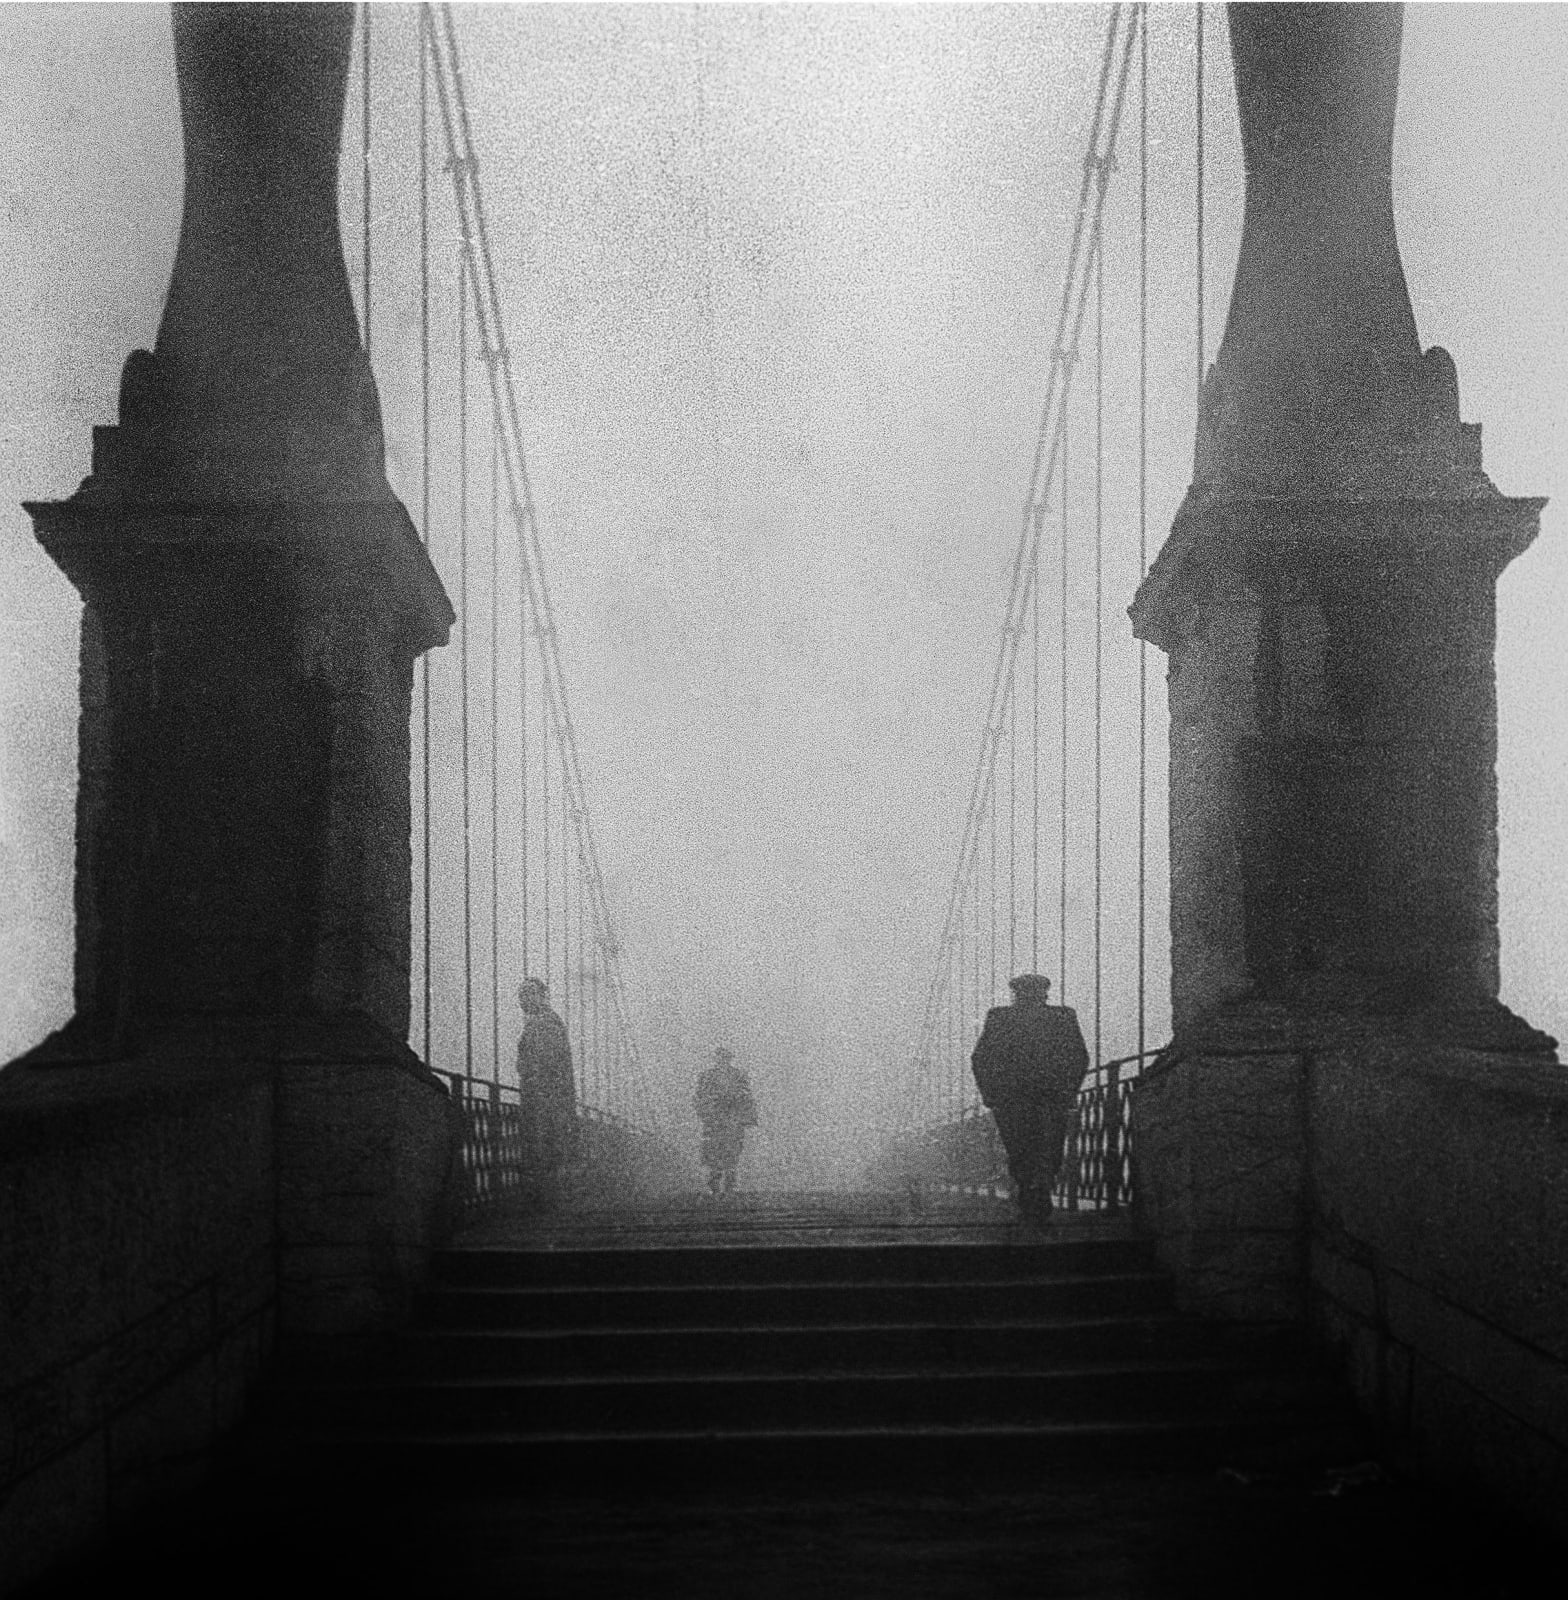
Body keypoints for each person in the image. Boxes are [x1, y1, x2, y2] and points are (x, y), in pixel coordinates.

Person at [969, 973, 1088, 1222]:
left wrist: (991, 1095)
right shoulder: (1063, 1016)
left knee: (1019, 1147)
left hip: (1012, 1100)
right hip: (1053, 1098)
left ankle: (1028, 1193)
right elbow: (1079, 1056)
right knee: (1050, 1147)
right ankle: (1041, 1192)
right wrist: (1069, 1091)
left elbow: (980, 1058)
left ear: (1015, 993)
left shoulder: (999, 1017)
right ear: (1045, 992)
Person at [515, 977, 578, 1199]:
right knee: (550, 1145)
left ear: (542, 996)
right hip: (548, 1098)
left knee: (543, 1144)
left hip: (543, 1099)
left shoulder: (545, 1024)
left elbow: (543, 1065)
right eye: (521, 994)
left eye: (529, 993)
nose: (523, 999)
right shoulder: (549, 1022)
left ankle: (545, 1197)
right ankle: (551, 1195)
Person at [693, 1047, 757, 1196]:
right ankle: (714, 1185)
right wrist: (708, 1111)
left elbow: (746, 1096)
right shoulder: (707, 1076)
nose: (723, 1061)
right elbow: (699, 1098)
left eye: (725, 1058)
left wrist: (742, 1114)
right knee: (714, 1152)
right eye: (721, 1058)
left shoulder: (738, 1076)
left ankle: (729, 1185)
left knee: (732, 1153)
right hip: (714, 1120)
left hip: (732, 1120)